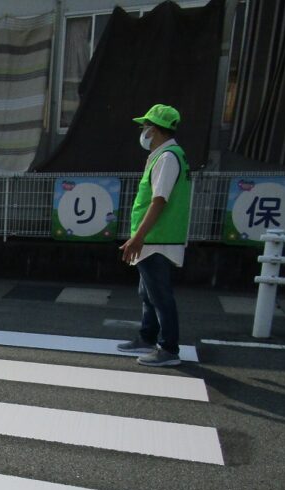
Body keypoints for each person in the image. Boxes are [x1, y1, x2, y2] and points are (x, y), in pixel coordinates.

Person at [118, 104, 191, 368]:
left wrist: (138, 237)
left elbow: (159, 200)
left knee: (159, 295)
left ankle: (168, 348)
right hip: (156, 237)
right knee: (147, 292)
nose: (143, 132)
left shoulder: (167, 158)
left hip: (157, 238)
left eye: (145, 126)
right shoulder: (167, 155)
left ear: (156, 130)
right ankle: (147, 337)